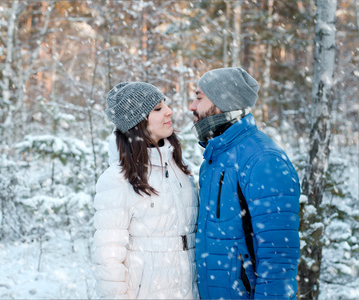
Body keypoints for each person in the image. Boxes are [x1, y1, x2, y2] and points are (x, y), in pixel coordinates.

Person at [189, 67, 300, 299]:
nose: (192, 106)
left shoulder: (263, 158)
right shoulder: (215, 157)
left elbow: (278, 256)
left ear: (222, 101)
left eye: (199, 97)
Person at [93, 82, 199, 299]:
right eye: (158, 109)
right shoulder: (117, 179)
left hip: (189, 288)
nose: (169, 111)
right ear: (138, 122)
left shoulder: (180, 167)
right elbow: (108, 257)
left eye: (165, 105)